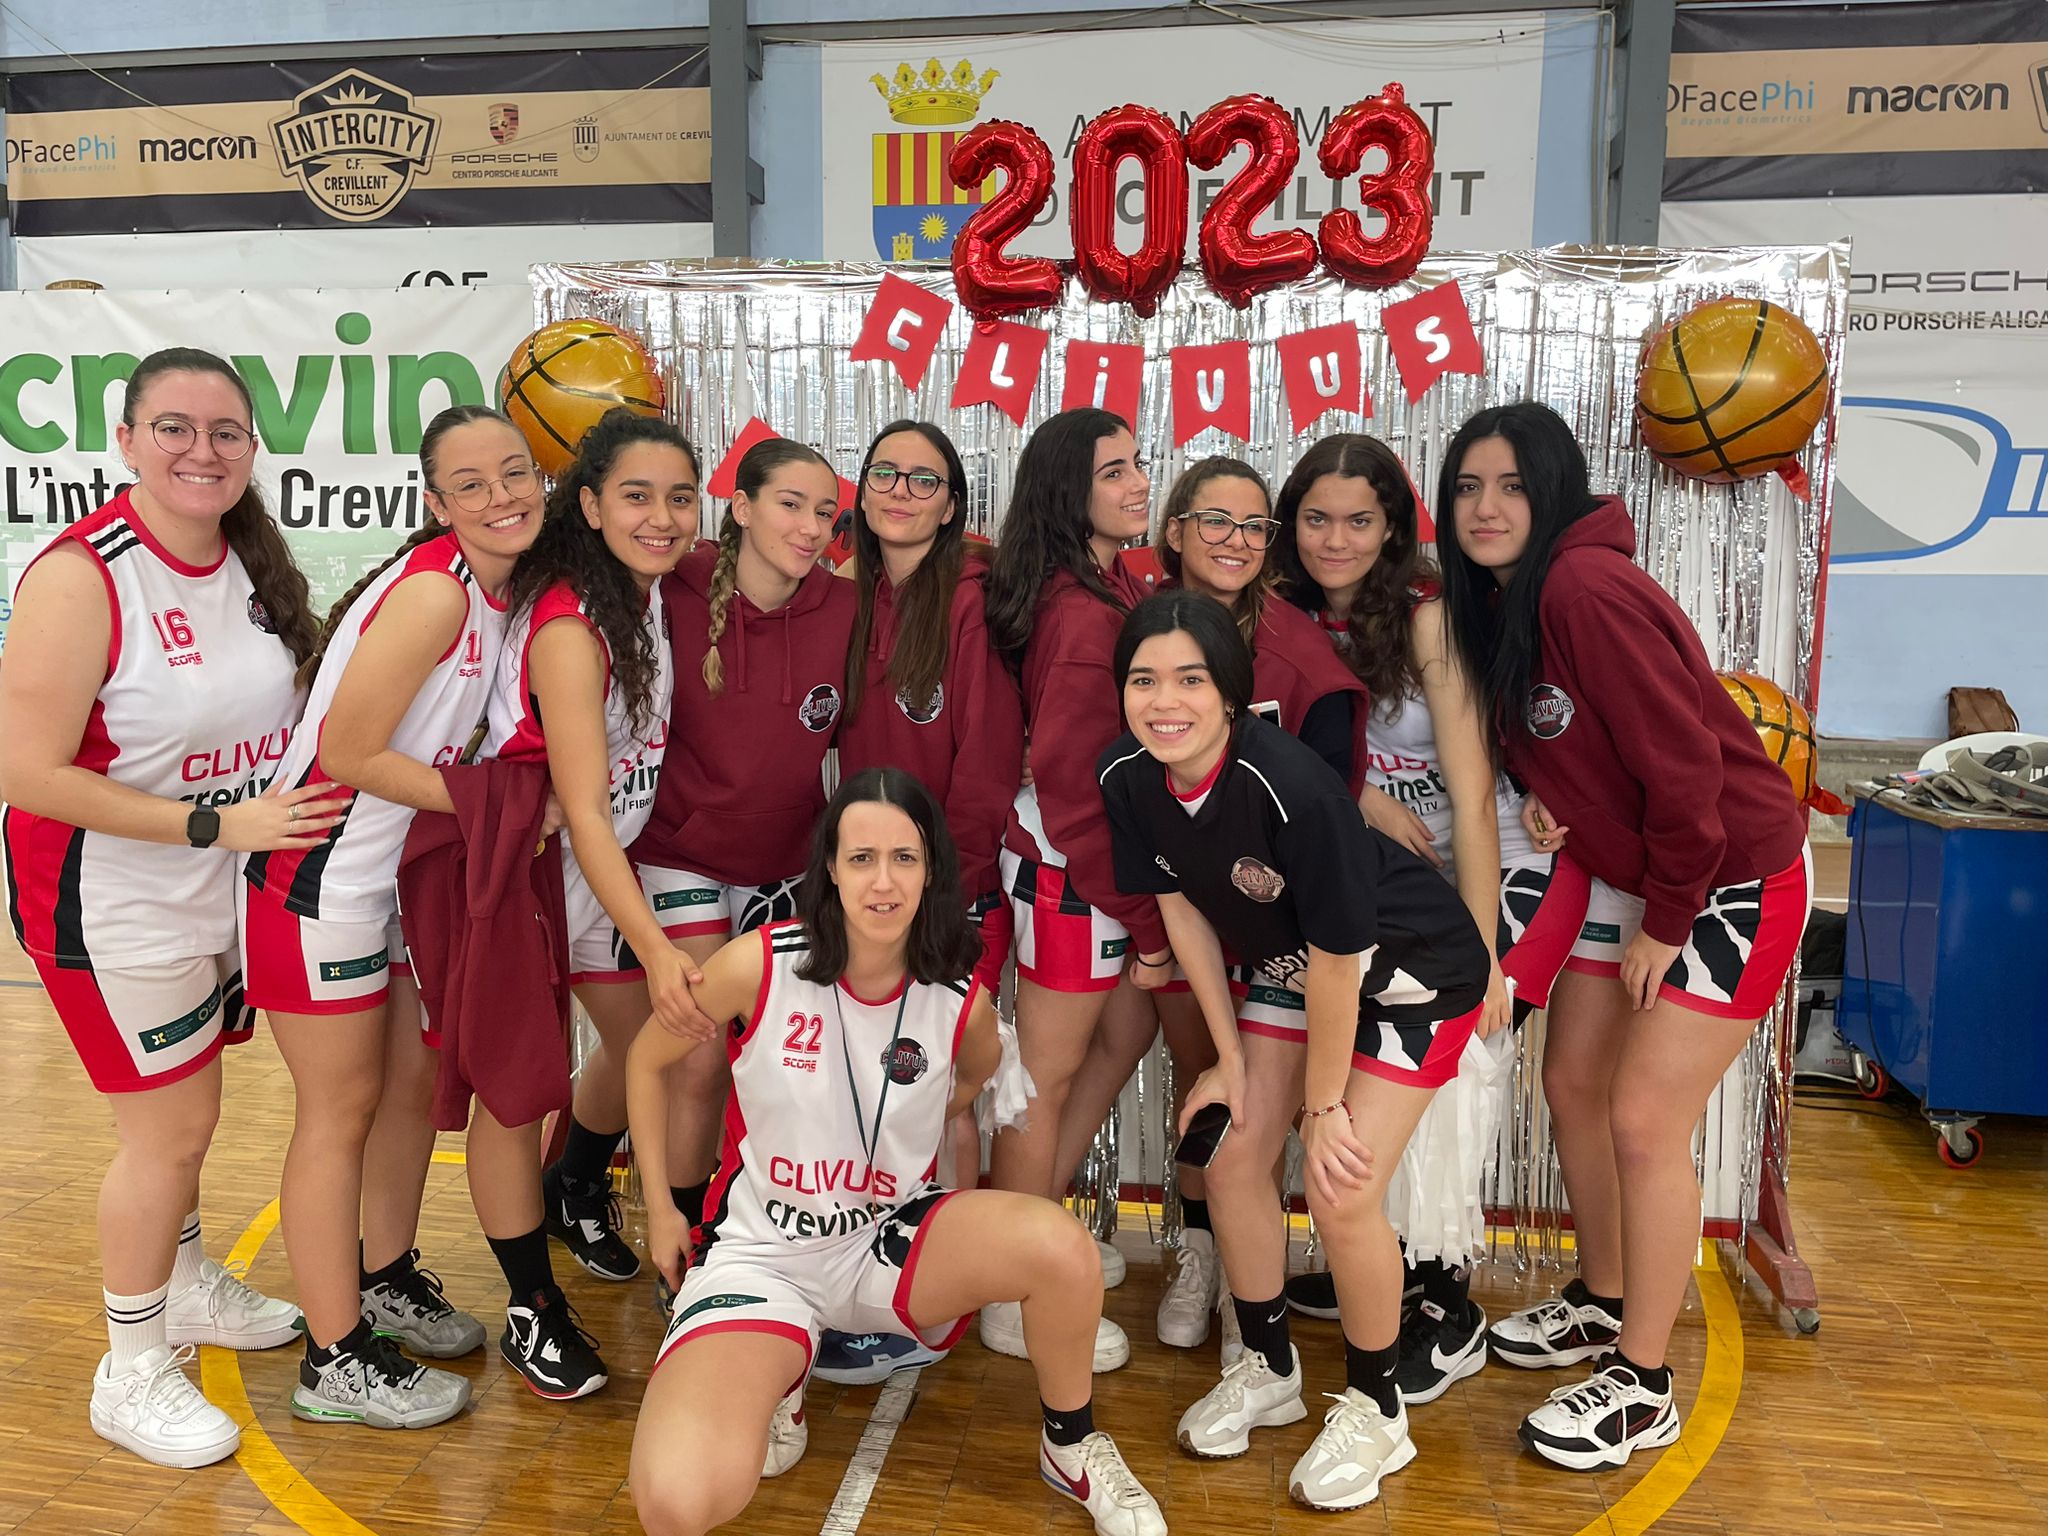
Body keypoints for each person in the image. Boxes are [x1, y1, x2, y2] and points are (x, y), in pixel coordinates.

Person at [625, 768, 1165, 1536]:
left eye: (904, 858)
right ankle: (781, 1380)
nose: (883, 881)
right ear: (830, 870)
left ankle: (1069, 1446)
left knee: (1063, 1251)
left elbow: (965, 1085)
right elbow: (647, 1062)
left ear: (932, 870)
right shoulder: (760, 964)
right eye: (861, 858)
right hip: (764, 1257)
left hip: (883, 1239)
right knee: (674, 1502)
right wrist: (660, 1207)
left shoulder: (960, 1006)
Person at [1434, 400, 1809, 1469]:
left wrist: (1668, 921)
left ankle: (1644, 1385)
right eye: (1467, 488)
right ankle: (1604, 1299)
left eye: (1512, 486)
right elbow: (1570, 738)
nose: (1486, 507)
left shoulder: (1584, 589)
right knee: (1571, 1085)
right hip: (1632, 874)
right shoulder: (1509, 599)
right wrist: (1552, 796)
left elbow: (1686, 770)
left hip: (1723, 880)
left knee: (1643, 1120)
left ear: (1553, 492)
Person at [0, 349, 344, 1467]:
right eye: (175, 428)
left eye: (226, 431)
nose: (204, 450)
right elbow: (25, 770)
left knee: (190, 1114)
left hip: (215, 890)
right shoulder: (81, 577)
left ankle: (186, 1285)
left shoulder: (248, 557)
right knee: (169, 1133)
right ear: (127, 440)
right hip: (110, 900)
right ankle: (131, 1366)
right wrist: (214, 827)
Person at [1098, 592, 1491, 1511]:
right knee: (1231, 1153)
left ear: (1231, 694)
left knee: (1341, 1186)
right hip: (1295, 966)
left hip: (1411, 976)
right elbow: (1183, 912)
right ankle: (1270, 1368)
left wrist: (1321, 1109)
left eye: (1190, 680)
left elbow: (1341, 963)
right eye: (1143, 680)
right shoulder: (1126, 776)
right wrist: (1230, 1061)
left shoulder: (1292, 786)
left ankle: (1378, 1408)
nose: (1165, 701)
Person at [240, 404, 544, 1429]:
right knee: (340, 1113)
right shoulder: (434, 596)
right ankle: (333, 1360)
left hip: (388, 885)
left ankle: (382, 1277)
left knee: (408, 1090)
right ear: (436, 502)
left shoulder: (501, 592)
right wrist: (494, 805)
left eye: (515, 473)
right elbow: (347, 754)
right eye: (472, 484)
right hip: (315, 883)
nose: (500, 496)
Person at [1269, 432, 1585, 1403]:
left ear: (1392, 528)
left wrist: (1483, 954)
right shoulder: (1280, 613)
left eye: (1358, 520)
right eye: (1316, 519)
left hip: (1497, 870)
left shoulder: (1428, 616)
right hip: (1391, 886)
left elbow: (1471, 792)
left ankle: (1449, 1308)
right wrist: (1361, 799)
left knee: (1458, 1074)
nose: (1335, 539)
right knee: (1386, 1081)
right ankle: (1395, 1265)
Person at [1056, 455, 1367, 1352]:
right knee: (1208, 1089)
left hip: (1281, 930)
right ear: (1175, 531)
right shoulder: (1135, 631)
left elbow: (1328, 806)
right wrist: (1152, 935)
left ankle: (1247, 1283)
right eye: (1214, 521)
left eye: (1253, 526)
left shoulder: (1301, 650)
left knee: (1262, 1108)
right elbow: (1111, 790)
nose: (1234, 540)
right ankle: (1199, 1253)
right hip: (1184, 920)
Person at [475, 408, 700, 1397]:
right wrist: (654, 941)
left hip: (587, 871)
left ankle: (572, 1185)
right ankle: (530, 1306)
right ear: (593, 504)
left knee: (653, 1044)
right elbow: (585, 814)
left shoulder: (643, 596)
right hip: (520, 881)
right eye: (637, 496)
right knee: (514, 1098)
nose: (662, 517)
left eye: (680, 497)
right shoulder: (572, 628)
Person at [818, 419, 1024, 1383]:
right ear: (861, 491)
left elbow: (987, 760)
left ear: (952, 506)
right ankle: (869, 1278)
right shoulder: (839, 597)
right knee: (861, 1092)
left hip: (945, 892)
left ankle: (941, 1297)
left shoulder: (971, 603)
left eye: (925, 479)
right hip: (861, 893)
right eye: (885, 474)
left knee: (940, 1093)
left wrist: (955, 886)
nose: (901, 491)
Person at [629, 436, 855, 1277]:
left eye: (825, 512)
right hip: (681, 851)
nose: (810, 527)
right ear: (743, 508)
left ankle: (754, 1231)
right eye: (790, 505)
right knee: (694, 1059)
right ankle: (683, 1249)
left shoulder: (845, 605)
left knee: (775, 1062)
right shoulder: (671, 584)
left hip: (787, 862)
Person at [983, 407, 1170, 1371]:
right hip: (1069, 874)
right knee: (1039, 1080)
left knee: (1120, 1036)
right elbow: (1070, 793)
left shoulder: (1108, 584)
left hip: (1092, 873)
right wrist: (1145, 919)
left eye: (1138, 463)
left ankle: (1031, 1233)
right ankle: (1009, 1290)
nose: (1140, 483)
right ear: (1069, 491)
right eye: (1114, 472)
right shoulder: (1080, 614)